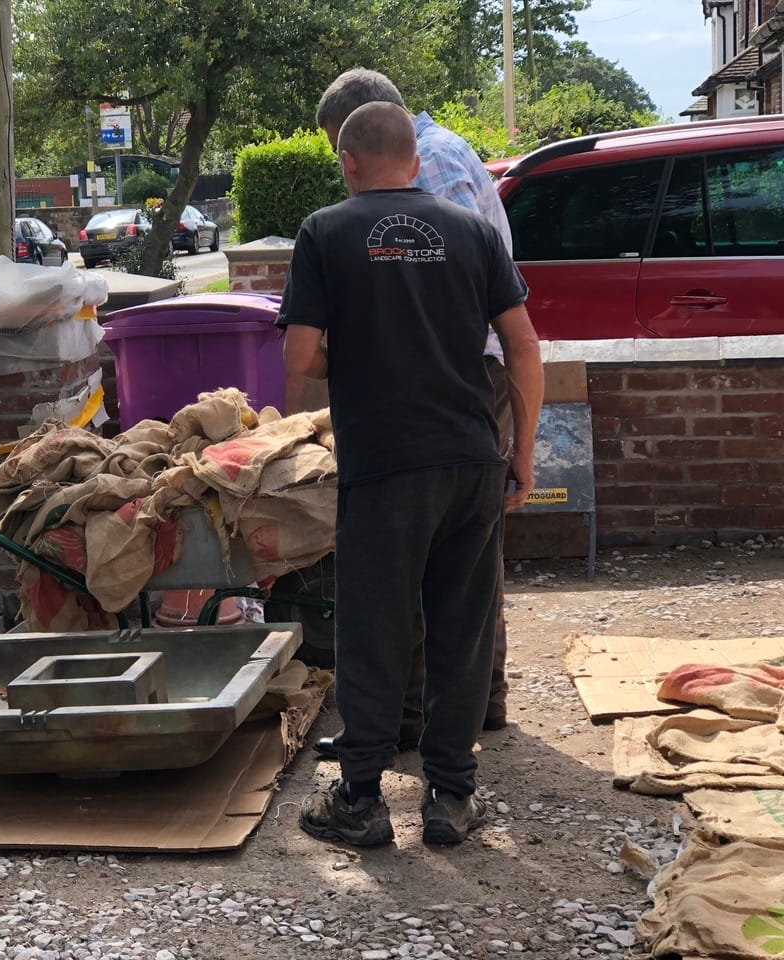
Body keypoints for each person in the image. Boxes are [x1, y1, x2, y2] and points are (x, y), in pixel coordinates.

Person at [279, 102, 543, 845]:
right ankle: (451, 799)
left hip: (385, 464)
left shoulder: (324, 232)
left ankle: (360, 800)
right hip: (468, 457)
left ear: (348, 162)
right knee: (463, 626)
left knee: (376, 625)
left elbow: (300, 358)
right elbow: (522, 347)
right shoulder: (472, 232)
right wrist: (520, 454)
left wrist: (360, 359)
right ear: (416, 161)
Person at [307, 69, 516, 761]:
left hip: (450, 379)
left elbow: (429, 289)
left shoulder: (436, 169)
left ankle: (406, 724)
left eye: (343, 154)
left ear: (354, 142)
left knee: (418, 571)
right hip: (468, 383)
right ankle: (453, 739)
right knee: (464, 566)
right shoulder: (441, 156)